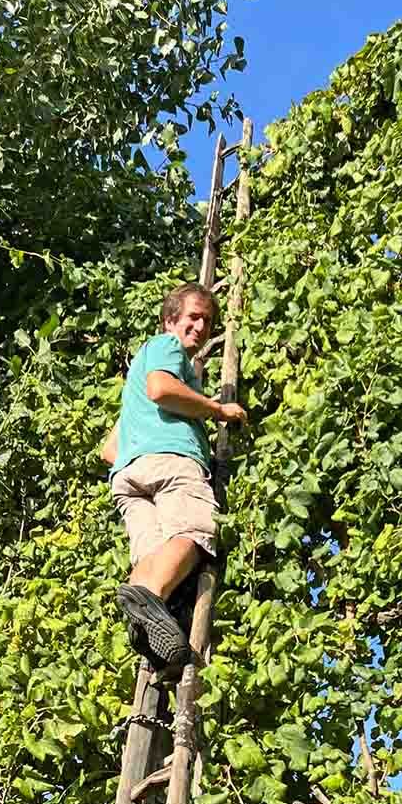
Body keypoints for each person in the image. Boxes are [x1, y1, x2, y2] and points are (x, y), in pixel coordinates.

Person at [100, 282, 247, 671]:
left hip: (129, 475)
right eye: (193, 317)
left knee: (153, 555)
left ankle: (152, 639)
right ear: (170, 320)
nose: (200, 327)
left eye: (207, 321)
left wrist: (138, 457)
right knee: (198, 531)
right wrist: (217, 410)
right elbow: (162, 389)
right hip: (171, 461)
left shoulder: (136, 378)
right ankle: (146, 598)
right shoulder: (166, 347)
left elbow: (108, 448)